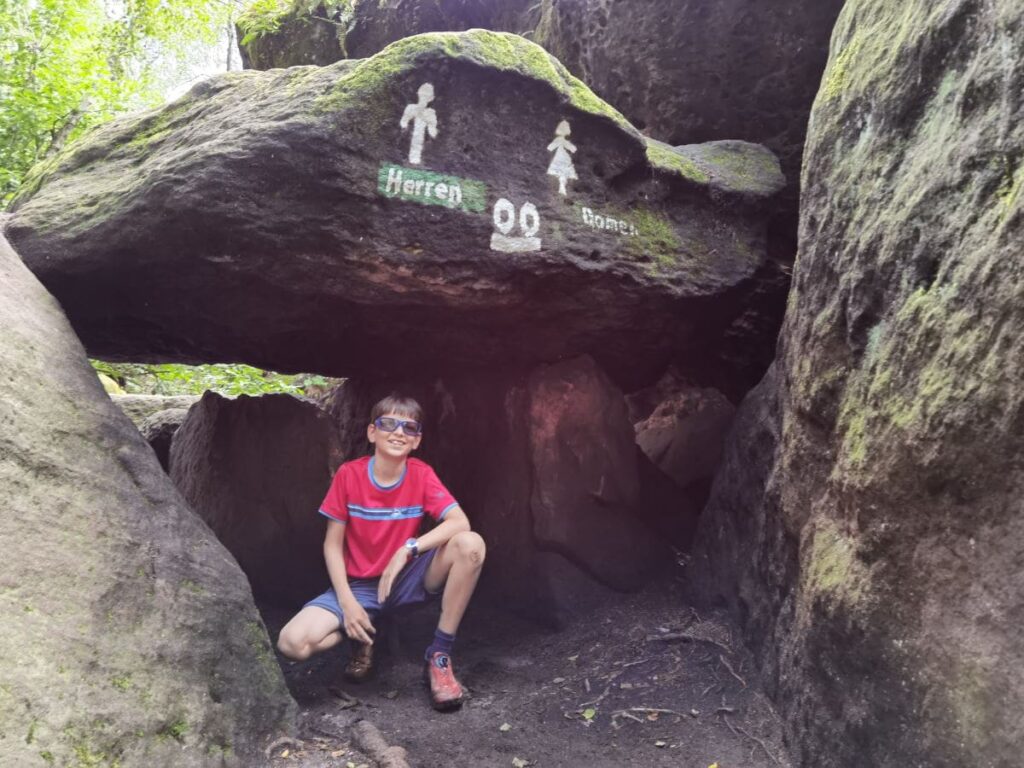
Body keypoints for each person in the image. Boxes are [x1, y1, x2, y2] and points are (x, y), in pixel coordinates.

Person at [277, 394, 486, 710]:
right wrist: (347, 603)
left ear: (416, 441)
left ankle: (439, 655)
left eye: (409, 427)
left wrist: (409, 548)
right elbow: (332, 544)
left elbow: (460, 522)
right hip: (359, 587)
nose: (399, 432)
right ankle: (361, 634)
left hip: (408, 578)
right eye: (389, 423)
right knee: (292, 643)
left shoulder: (421, 474)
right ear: (372, 432)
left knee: (471, 544)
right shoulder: (350, 475)